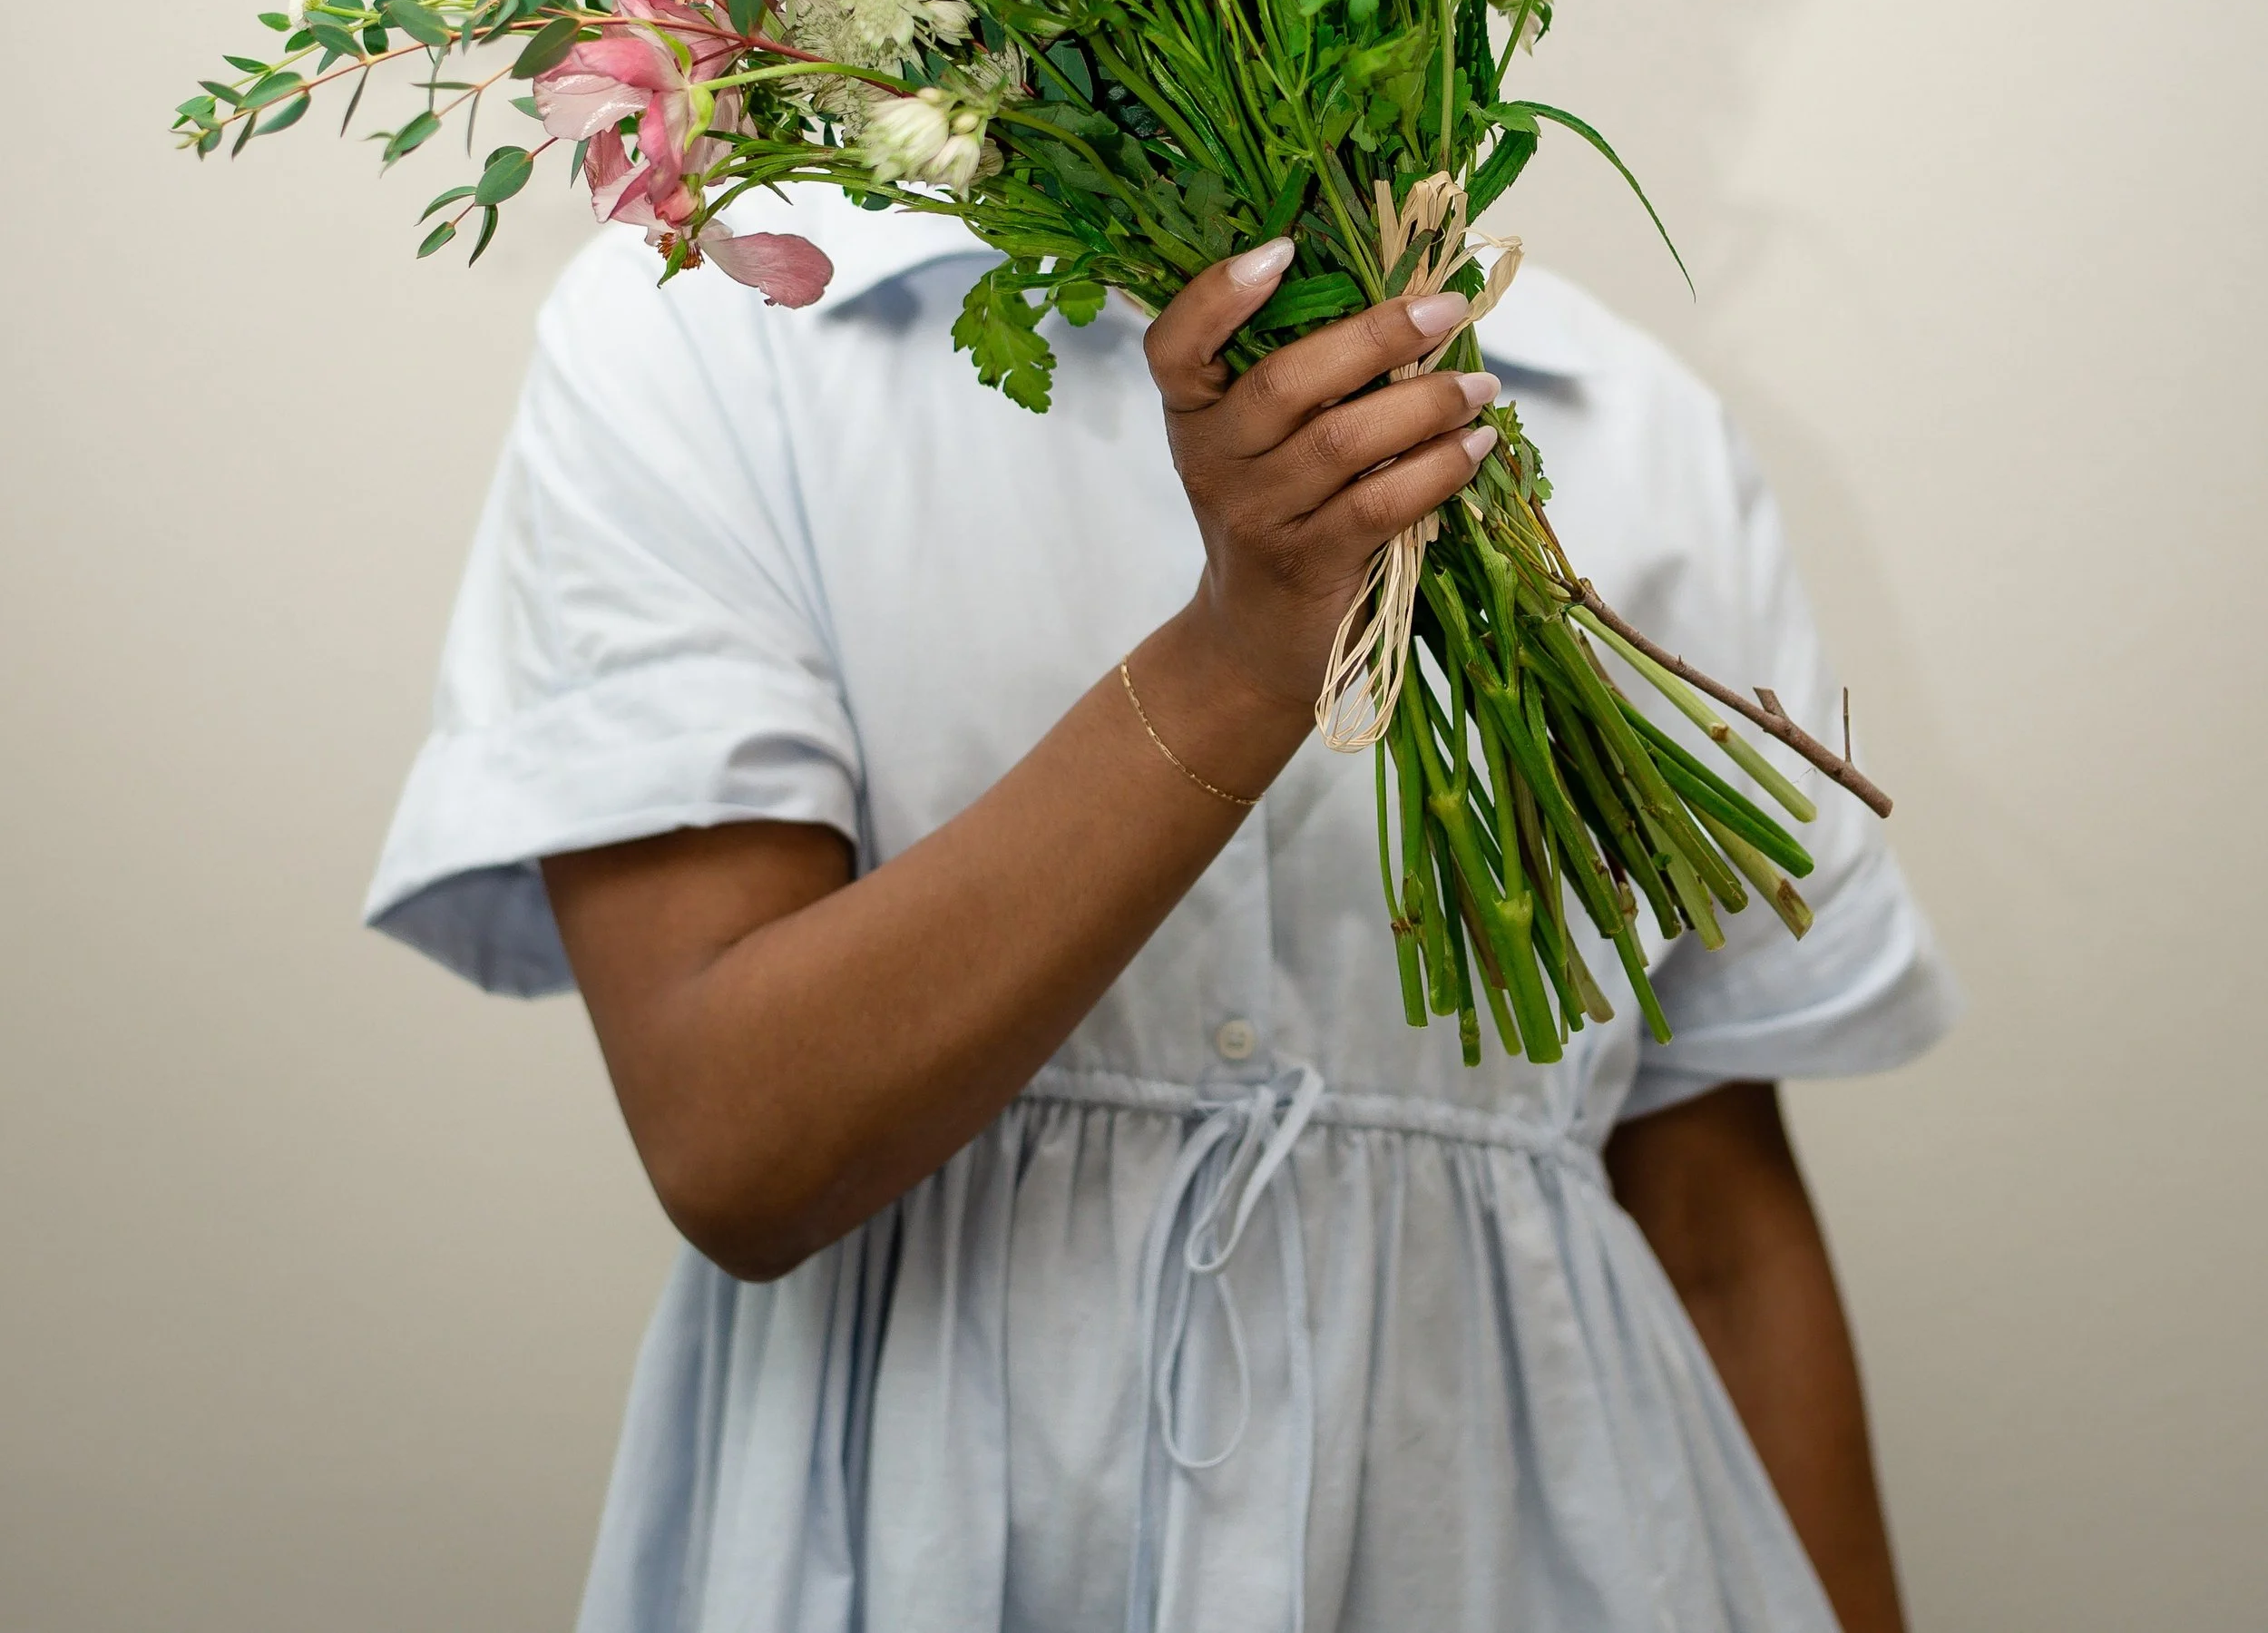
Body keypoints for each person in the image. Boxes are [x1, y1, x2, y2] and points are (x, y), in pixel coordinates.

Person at [367, 188, 1958, 1633]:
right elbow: (735, 1143)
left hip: (1535, 1547)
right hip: (934, 1549)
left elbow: (1713, 1224)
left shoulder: (1621, 416)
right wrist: (1245, 652)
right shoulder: (723, 330)